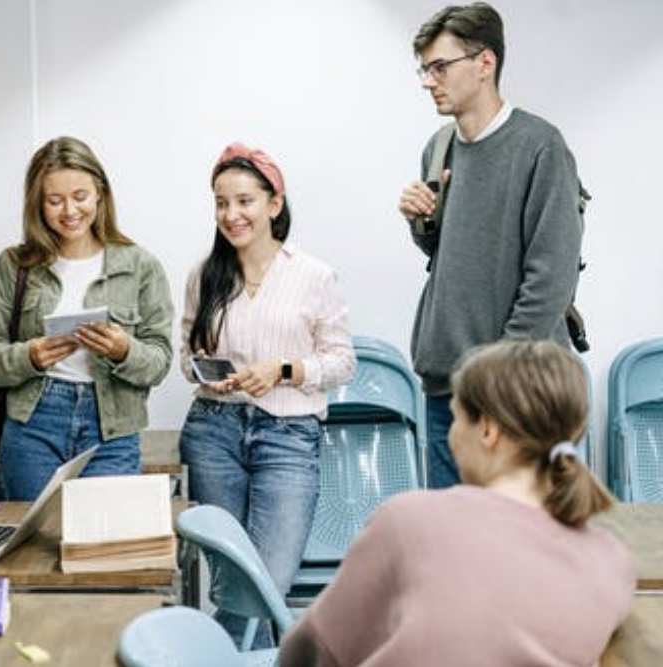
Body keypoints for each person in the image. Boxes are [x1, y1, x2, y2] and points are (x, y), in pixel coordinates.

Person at [279, 340, 634, 666]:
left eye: (457, 417)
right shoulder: (612, 561)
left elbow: (311, 649)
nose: (450, 435)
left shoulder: (410, 521)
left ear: (488, 430)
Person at [398, 2, 584, 488]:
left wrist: (496, 375)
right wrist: (423, 224)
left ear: (485, 63)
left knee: (526, 548)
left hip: (518, 392)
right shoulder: (437, 148)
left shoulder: (540, 146)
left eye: (440, 66)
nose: (427, 80)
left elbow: (551, 277)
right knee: (452, 549)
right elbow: (454, 256)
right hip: (446, 388)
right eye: (424, 68)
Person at [179, 141, 356, 647]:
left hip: (288, 437)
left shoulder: (313, 275)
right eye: (220, 203)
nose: (231, 215)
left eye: (244, 201)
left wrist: (282, 370)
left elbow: (342, 362)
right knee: (234, 581)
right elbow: (185, 358)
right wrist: (206, 373)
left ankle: (212, 656)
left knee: (266, 582)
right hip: (213, 432)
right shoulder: (205, 275)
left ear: (274, 203)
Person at [0, 136, 173, 501]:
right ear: (38, 204)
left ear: (100, 193)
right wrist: (30, 356)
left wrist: (124, 350)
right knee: (31, 550)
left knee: (103, 547)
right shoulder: (13, 266)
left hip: (112, 429)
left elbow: (160, 362)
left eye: (80, 196)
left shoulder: (140, 266)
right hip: (33, 424)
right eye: (54, 200)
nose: (69, 210)